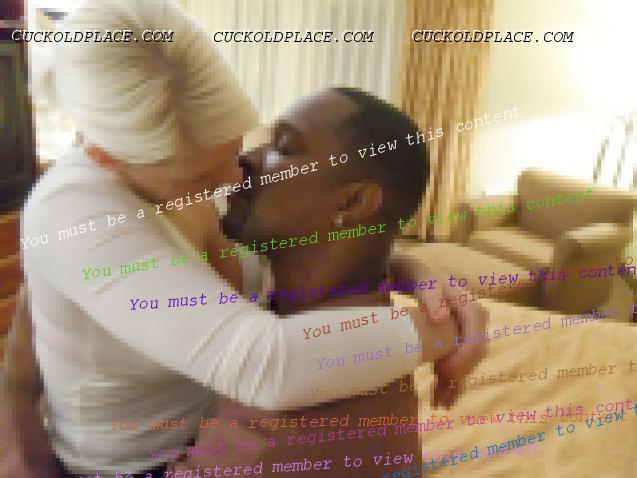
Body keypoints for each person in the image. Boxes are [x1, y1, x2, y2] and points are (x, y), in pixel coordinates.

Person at [19, 0, 483, 476]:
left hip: (218, 426)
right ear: (107, 158)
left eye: (237, 145)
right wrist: (448, 330)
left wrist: (410, 268)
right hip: (138, 463)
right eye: (201, 176)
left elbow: (325, 237)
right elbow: (269, 364)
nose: (232, 175)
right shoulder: (75, 215)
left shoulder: (180, 170)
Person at [167, 87, 485, 477]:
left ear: (353, 203)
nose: (245, 158)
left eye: (284, 148)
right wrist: (412, 270)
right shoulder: (318, 299)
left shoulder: (272, 433)